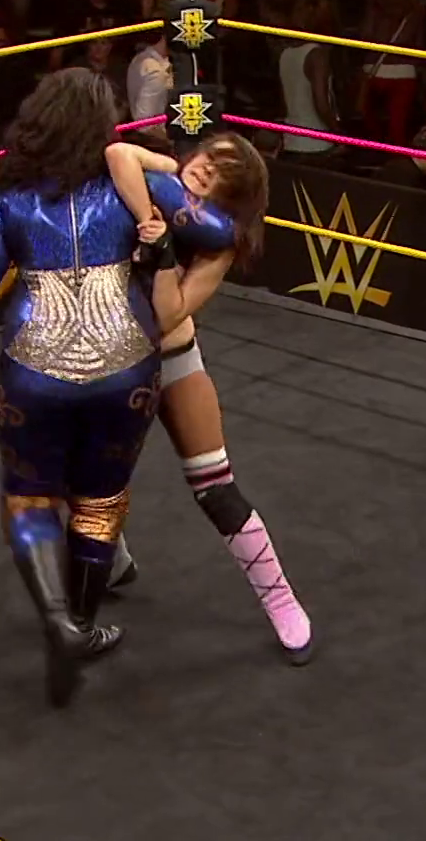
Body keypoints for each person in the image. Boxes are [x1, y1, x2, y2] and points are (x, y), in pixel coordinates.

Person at [0, 69, 243, 708]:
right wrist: (159, 205)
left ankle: (61, 623)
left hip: (34, 366)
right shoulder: (137, 186)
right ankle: (78, 623)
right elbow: (219, 231)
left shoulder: (4, 199)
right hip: (126, 364)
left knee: (29, 498)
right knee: (100, 503)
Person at [103, 130, 314, 665]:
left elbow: (169, 314)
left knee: (216, 489)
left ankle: (281, 600)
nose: (205, 171)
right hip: (113, 360)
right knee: (82, 476)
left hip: (172, 356)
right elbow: (118, 152)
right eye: (208, 160)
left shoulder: (218, 242)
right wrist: (148, 208)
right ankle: (112, 560)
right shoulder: (153, 180)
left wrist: (161, 251)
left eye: (221, 175)